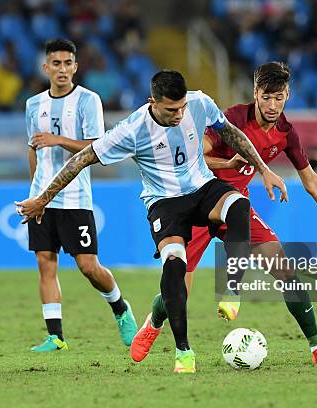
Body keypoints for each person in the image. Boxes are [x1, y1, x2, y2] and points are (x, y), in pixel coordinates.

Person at [16, 69, 288, 373]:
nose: (179, 114)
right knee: (174, 265)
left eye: (182, 107)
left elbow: (232, 135)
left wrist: (263, 169)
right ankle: (183, 352)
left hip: (202, 187)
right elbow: (81, 159)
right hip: (165, 203)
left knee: (237, 205)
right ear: (152, 102)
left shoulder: (198, 103)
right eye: (171, 109)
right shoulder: (131, 130)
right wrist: (43, 198)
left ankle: (231, 288)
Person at [130, 62, 317, 365]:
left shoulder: (285, 134)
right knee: (178, 289)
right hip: (196, 201)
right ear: (255, 93)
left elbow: (311, 180)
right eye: (266, 97)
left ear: (288, 96)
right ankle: (154, 323)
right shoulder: (232, 119)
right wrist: (227, 165)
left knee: (284, 268)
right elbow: (195, 155)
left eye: (278, 97)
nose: (272, 104)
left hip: (235, 208)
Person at [24, 39, 137, 353]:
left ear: (75, 66)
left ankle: (119, 307)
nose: (62, 69)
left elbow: (97, 147)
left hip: (75, 198)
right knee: (45, 264)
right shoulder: (33, 105)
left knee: (88, 266)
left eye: (67, 63)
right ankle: (55, 337)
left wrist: (57, 139)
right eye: (56, 64)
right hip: (42, 200)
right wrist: (36, 193)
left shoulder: (89, 101)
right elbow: (32, 149)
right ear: (45, 67)